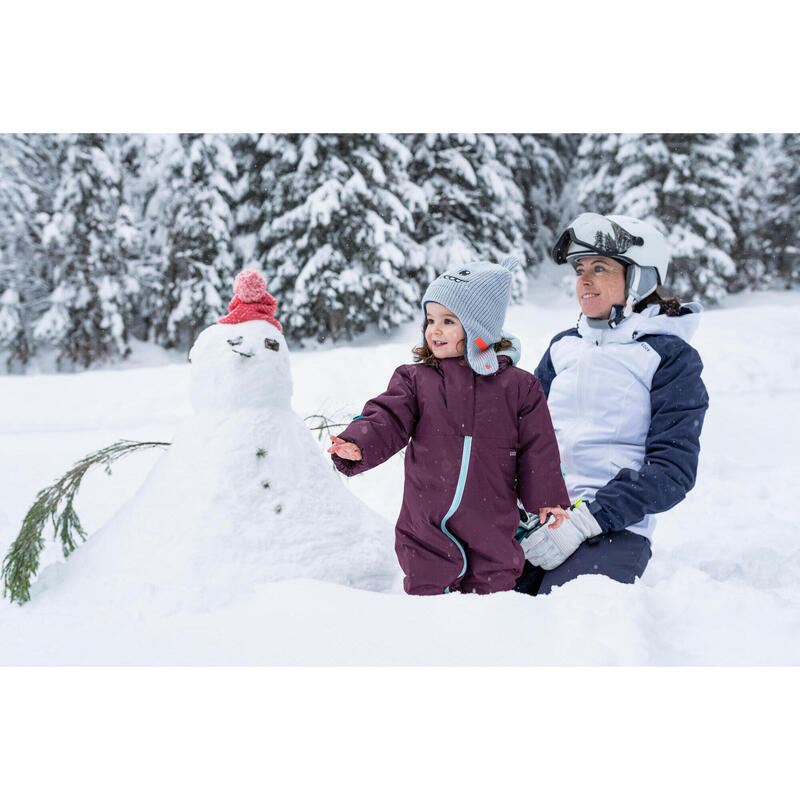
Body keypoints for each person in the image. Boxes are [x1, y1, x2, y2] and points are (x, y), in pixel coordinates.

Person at [328, 257, 571, 595]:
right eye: (430, 320)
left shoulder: (519, 387)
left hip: (491, 525)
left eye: (448, 321)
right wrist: (360, 443)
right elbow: (387, 416)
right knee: (428, 600)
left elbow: (538, 449)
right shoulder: (416, 379)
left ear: (479, 327)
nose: (434, 330)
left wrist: (547, 497)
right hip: (425, 527)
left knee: (492, 597)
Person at [516, 213, 710, 596]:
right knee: (479, 610)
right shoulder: (562, 347)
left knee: (568, 618)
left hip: (611, 529)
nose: (584, 280)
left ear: (640, 278)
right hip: (538, 519)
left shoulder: (669, 357)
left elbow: (672, 470)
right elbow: (519, 432)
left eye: (599, 268)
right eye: (579, 269)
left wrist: (586, 520)